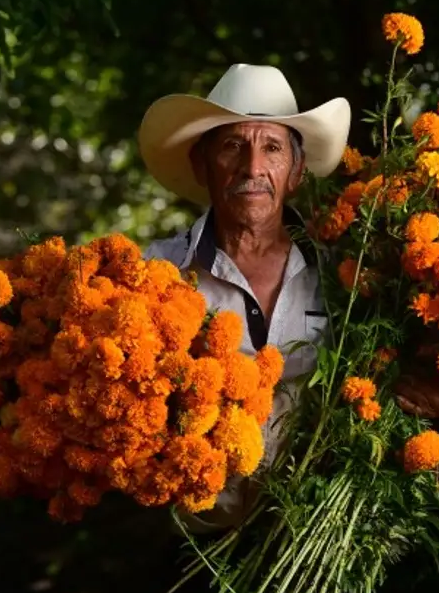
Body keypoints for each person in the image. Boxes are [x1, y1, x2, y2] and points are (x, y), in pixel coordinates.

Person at [138, 63, 351, 533]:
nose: (252, 168)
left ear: (295, 172)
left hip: (315, 538)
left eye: (272, 148)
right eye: (233, 146)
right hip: (193, 544)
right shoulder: (159, 273)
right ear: (201, 165)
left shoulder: (342, 278)